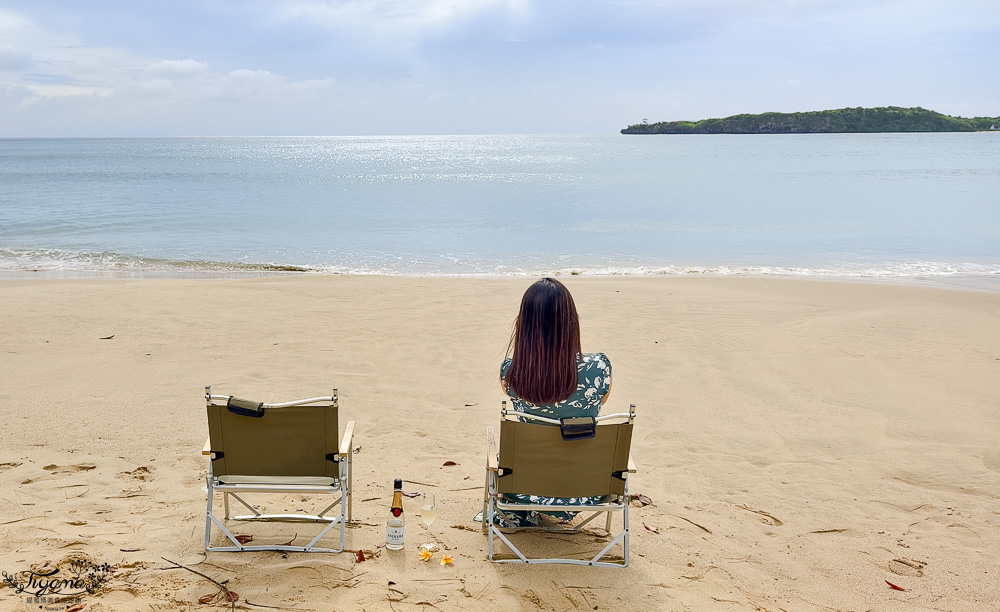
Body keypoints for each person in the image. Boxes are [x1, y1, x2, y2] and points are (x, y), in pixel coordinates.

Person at [497, 277, 612, 526]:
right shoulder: (600, 368)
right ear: (572, 322)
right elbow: (600, 399)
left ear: (524, 324)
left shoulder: (510, 373)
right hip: (587, 487)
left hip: (525, 488)